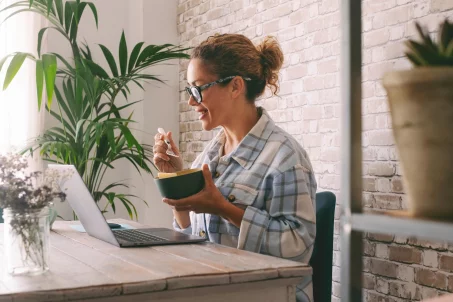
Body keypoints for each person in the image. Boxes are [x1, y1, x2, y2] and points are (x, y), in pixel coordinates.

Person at [153, 34, 317, 302]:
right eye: (189, 91)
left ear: (235, 86)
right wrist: (177, 182)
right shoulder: (209, 156)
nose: (191, 102)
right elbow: (190, 238)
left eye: (198, 88)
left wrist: (223, 208)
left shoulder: (285, 157)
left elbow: (297, 247)